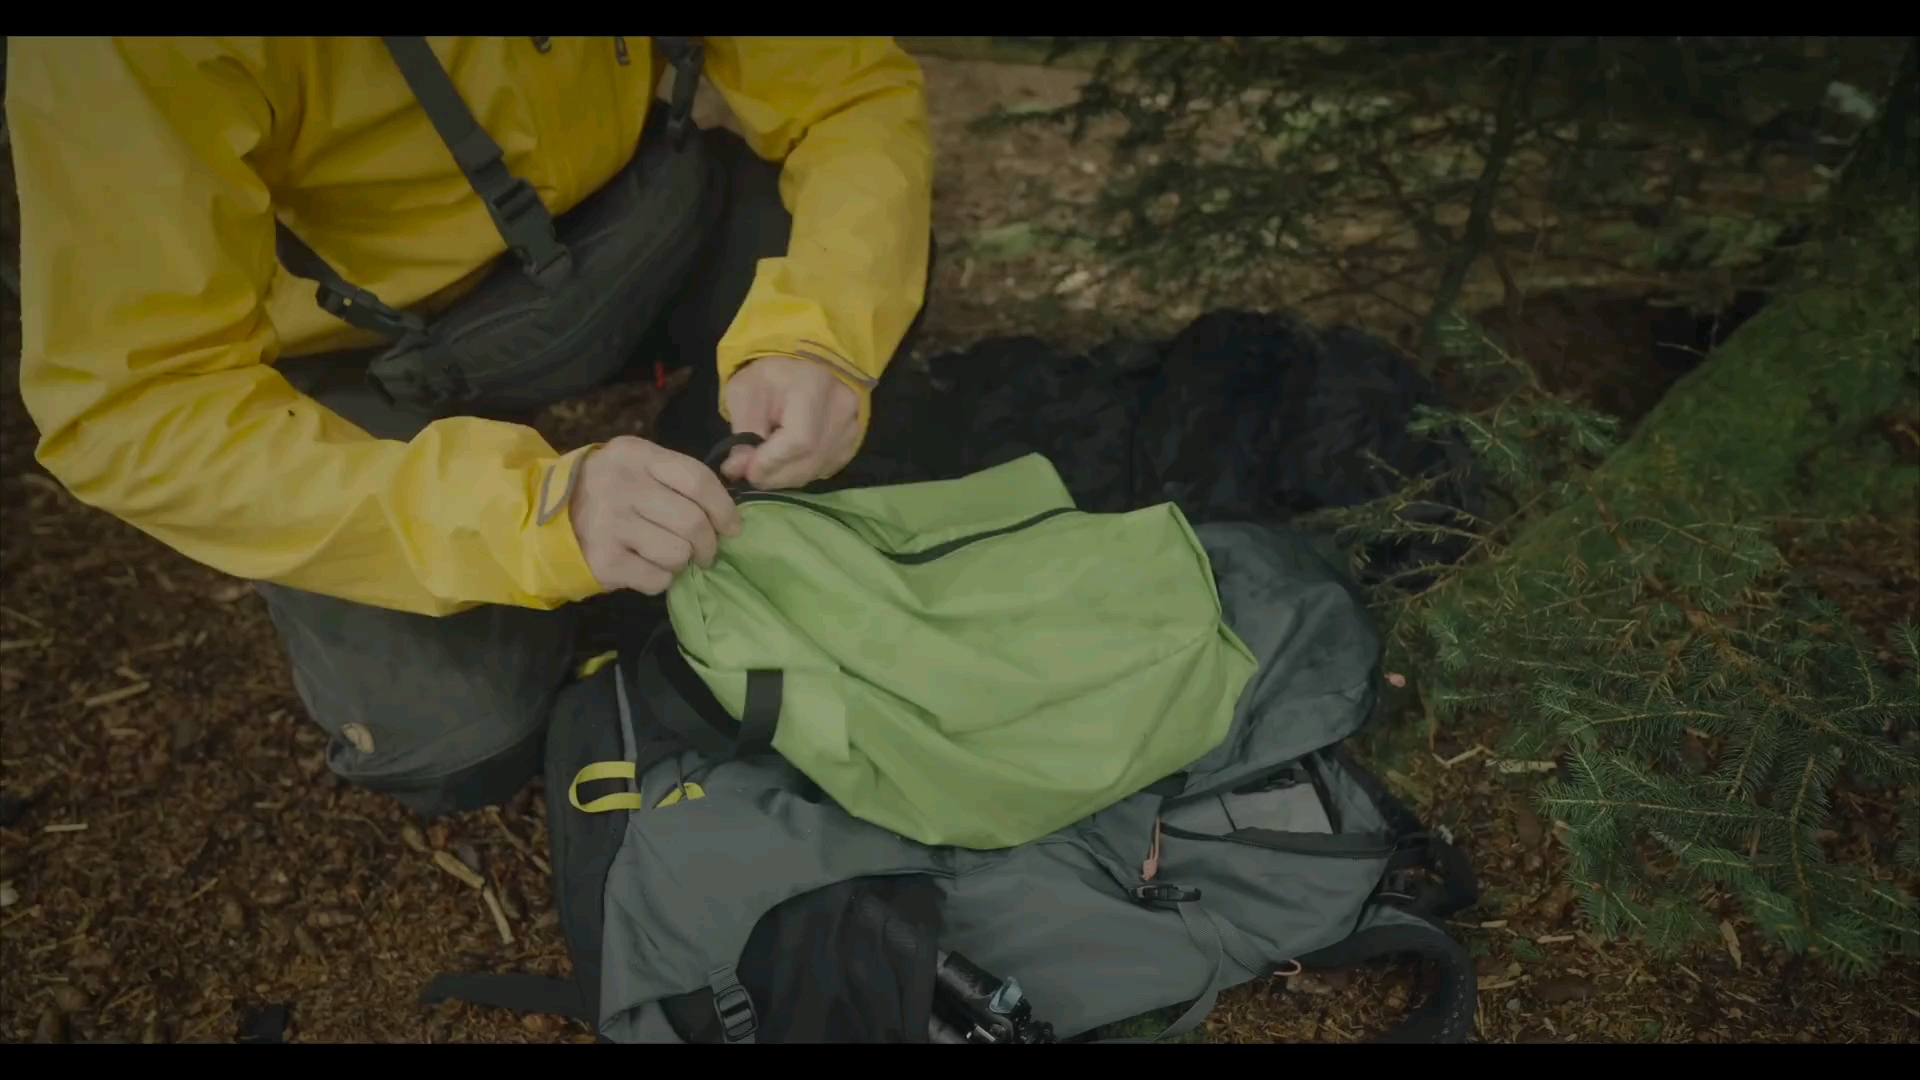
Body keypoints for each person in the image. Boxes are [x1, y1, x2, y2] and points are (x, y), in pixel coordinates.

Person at [6, 36, 933, 817]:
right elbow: (136, 402)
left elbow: (849, 91)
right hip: (354, 345)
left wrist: (821, 331)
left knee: (845, 261)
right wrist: (523, 513)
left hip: (633, 225)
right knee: (463, 739)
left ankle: (708, 516)